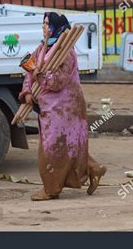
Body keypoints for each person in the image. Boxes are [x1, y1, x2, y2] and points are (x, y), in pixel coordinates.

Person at [19, 12, 107, 201]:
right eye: (43, 23)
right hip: (48, 106)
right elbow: (30, 72)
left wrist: (38, 74)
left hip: (65, 107)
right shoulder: (42, 47)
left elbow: (58, 81)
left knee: (51, 149)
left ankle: (51, 189)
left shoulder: (66, 51)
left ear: (56, 28)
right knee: (68, 146)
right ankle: (94, 169)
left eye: (47, 24)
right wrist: (27, 91)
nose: (43, 27)